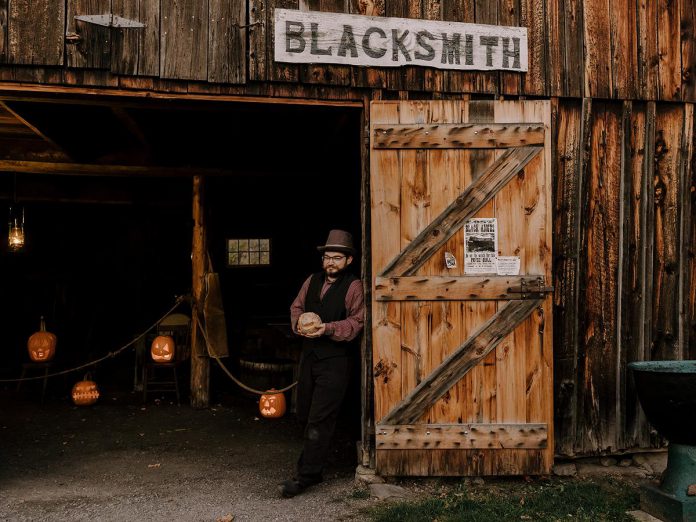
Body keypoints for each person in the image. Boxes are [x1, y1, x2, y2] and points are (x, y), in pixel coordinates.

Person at [280, 229, 365, 498]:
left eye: (337, 258)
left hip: (336, 362)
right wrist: (299, 325)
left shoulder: (354, 286)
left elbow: (357, 323)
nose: (331, 263)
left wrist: (326, 328)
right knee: (304, 413)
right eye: (327, 257)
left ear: (348, 260)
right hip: (310, 359)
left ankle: (306, 476)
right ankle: (316, 465)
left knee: (319, 418)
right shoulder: (312, 281)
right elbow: (296, 307)